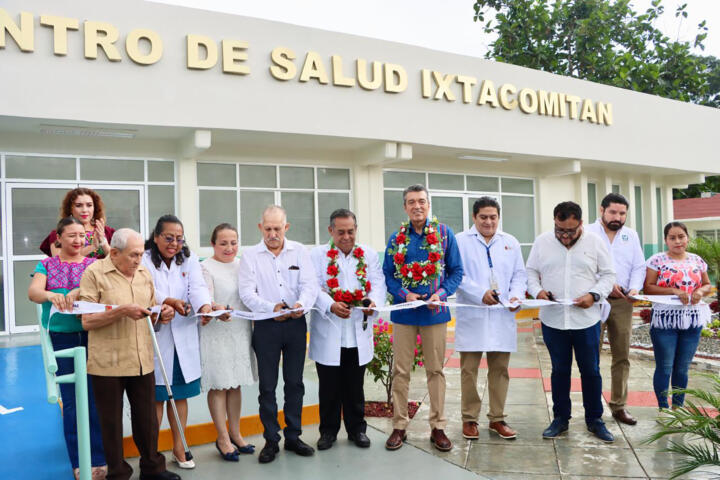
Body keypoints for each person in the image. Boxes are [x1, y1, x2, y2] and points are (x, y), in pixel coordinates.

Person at [79, 228, 179, 480]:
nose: (138, 260)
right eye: (133, 255)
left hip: (142, 359)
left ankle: (153, 468)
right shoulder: (94, 274)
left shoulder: (143, 273)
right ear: (114, 253)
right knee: (111, 423)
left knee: (147, 421)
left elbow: (150, 310)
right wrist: (121, 311)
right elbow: (87, 321)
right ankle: (118, 473)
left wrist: (161, 313)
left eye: (141, 254)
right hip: (107, 362)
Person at [382, 184, 463, 452]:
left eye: (421, 201)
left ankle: (438, 427)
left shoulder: (443, 234)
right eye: (411, 202)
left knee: (436, 370)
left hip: (434, 312)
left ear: (429, 205)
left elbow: (456, 272)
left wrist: (441, 293)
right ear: (405, 207)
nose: (417, 206)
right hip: (405, 312)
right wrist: (405, 295)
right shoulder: (396, 238)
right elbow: (389, 275)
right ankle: (399, 426)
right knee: (401, 371)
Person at [526, 201, 616, 442]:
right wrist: (538, 292)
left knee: (591, 371)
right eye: (560, 230)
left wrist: (594, 295)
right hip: (553, 320)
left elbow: (609, 275)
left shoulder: (595, 242)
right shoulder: (542, 242)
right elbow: (531, 272)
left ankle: (595, 420)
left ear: (581, 224)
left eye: (570, 231)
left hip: (586, 320)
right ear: (554, 222)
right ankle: (560, 419)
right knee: (560, 371)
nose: (564, 236)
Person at [237, 205, 319, 464]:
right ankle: (271, 440)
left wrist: (300, 305)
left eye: (277, 228)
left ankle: (293, 436)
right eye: (268, 228)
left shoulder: (300, 252)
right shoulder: (250, 256)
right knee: (267, 387)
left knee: (295, 383)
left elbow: (310, 285)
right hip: (266, 326)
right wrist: (271, 309)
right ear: (261, 227)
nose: (273, 233)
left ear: (287, 227)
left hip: (295, 325)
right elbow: (247, 293)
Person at [28, 217, 107, 480]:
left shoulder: (92, 265)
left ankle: (97, 458)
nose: (77, 240)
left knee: (95, 400)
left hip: (91, 334)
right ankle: (79, 461)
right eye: (71, 235)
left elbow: (102, 292)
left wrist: (78, 290)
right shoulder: (47, 264)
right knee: (72, 401)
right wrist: (52, 295)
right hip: (62, 337)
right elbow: (34, 292)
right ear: (58, 239)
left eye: (81, 236)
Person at [309, 208, 387, 450]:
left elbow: (378, 284)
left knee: (355, 386)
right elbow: (313, 287)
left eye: (351, 231)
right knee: (329, 387)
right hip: (329, 329)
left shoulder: (369, 254)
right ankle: (328, 432)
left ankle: (357, 430)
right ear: (330, 231)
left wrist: (372, 303)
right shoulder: (317, 256)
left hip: (357, 330)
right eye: (340, 232)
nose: (346, 237)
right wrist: (330, 304)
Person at [142, 215, 212, 470]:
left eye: (179, 239)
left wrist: (204, 305)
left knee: (180, 396)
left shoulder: (189, 258)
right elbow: (145, 288)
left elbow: (197, 285)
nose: (174, 243)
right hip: (157, 331)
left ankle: (179, 448)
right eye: (168, 238)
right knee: (156, 398)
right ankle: (151, 455)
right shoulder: (144, 258)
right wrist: (167, 302)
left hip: (182, 331)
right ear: (157, 237)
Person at [455, 197, 527, 441]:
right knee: (469, 370)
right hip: (473, 313)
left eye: (493, 217)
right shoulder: (459, 241)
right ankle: (469, 419)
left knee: (500, 369)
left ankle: (497, 418)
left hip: (501, 314)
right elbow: (457, 276)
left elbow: (519, 274)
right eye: (483, 217)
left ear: (498, 217)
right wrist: (479, 294)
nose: (488, 222)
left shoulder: (510, 242)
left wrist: (516, 296)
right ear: (474, 218)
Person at [586, 193, 646, 426]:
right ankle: (593, 409)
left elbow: (639, 266)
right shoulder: (588, 232)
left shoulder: (631, 235)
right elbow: (585, 265)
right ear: (602, 210)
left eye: (622, 213)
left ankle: (619, 406)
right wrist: (605, 285)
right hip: (595, 300)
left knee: (621, 356)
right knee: (591, 358)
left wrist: (634, 289)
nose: (617, 217)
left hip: (622, 303)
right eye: (613, 212)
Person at [200, 223, 258, 462]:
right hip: (216, 330)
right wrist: (215, 308)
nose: (229, 247)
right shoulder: (205, 267)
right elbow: (205, 298)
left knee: (235, 384)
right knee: (219, 384)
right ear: (213, 243)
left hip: (240, 330)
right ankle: (222, 437)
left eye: (233, 242)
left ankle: (236, 433)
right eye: (223, 243)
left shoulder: (243, 265)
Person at [643, 222, 712, 412]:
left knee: (682, 368)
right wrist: (673, 291)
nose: (677, 241)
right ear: (665, 240)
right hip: (665, 319)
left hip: (692, 319)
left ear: (687, 238)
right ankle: (664, 409)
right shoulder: (656, 260)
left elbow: (707, 285)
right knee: (665, 366)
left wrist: (700, 291)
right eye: (672, 237)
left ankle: (678, 409)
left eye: (681, 236)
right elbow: (648, 287)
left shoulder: (697, 260)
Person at [40, 187, 114, 259]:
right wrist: (92, 247)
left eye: (89, 205)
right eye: (78, 205)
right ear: (70, 208)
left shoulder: (108, 232)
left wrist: (103, 241)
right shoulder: (59, 233)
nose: (84, 210)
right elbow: (59, 260)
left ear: (95, 208)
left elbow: (117, 260)